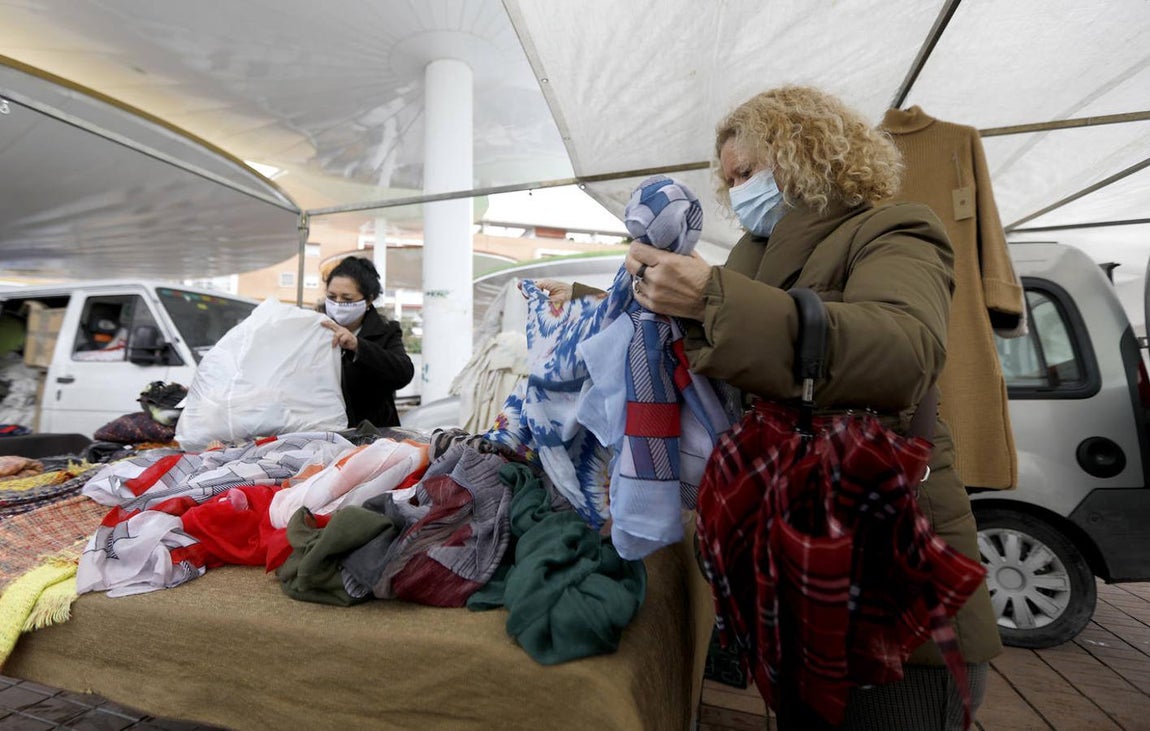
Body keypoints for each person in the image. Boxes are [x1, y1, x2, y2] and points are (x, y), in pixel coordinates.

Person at [543, 86, 1000, 730]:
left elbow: (904, 351)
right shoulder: (751, 258)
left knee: (894, 711)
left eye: (748, 171)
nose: (738, 189)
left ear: (805, 153)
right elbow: (729, 329)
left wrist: (711, 299)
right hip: (794, 552)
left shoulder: (892, 228)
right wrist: (607, 296)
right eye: (730, 180)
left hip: (879, 556)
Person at [321, 256, 414, 428]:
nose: (338, 304)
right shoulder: (316, 328)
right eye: (332, 297)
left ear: (369, 300)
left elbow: (403, 372)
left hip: (372, 435)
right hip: (322, 433)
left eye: (347, 299)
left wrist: (358, 346)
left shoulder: (386, 331)